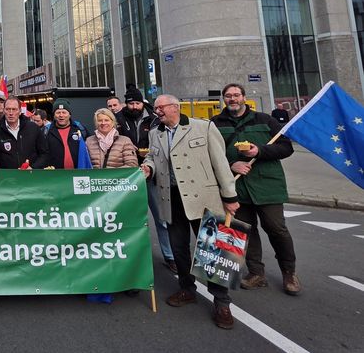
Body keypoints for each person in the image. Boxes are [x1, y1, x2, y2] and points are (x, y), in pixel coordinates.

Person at [140, 94, 239, 329]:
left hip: (203, 198)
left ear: (175, 107)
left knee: (212, 249)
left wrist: (230, 196)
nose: (157, 112)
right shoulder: (155, 133)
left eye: (161, 108)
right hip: (171, 198)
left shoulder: (203, 127)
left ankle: (222, 302)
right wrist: (148, 168)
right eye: (156, 109)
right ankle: (187, 288)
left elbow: (220, 162)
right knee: (179, 248)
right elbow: (152, 157)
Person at [212, 83, 300, 295]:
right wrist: (230, 164)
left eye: (236, 95)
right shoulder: (215, 123)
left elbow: (286, 148)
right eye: (228, 96)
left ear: (244, 97)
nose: (233, 99)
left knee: (277, 229)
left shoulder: (265, 120)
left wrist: (258, 151)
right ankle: (256, 273)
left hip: (267, 185)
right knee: (245, 231)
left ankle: (289, 272)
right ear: (224, 99)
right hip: (236, 187)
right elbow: (210, 154)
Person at [117, 87, 176, 273]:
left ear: (142, 102)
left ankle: (170, 255)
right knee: (127, 219)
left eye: (137, 103)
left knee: (161, 217)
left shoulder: (154, 118)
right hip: (128, 175)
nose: (134, 106)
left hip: (153, 173)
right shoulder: (118, 118)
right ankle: (128, 256)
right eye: (131, 103)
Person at [0, 96, 49, 169]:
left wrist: (33, 168)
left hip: (31, 174)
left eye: (14, 109)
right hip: (8, 176)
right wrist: (4, 174)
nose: (11, 113)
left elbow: (44, 153)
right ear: (4, 111)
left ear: (20, 111)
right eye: (8, 109)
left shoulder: (33, 128)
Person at [45, 99, 85, 169]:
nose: (61, 115)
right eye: (58, 112)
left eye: (64, 112)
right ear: (54, 115)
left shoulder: (79, 128)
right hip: (54, 173)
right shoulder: (46, 130)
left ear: (69, 115)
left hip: (78, 173)